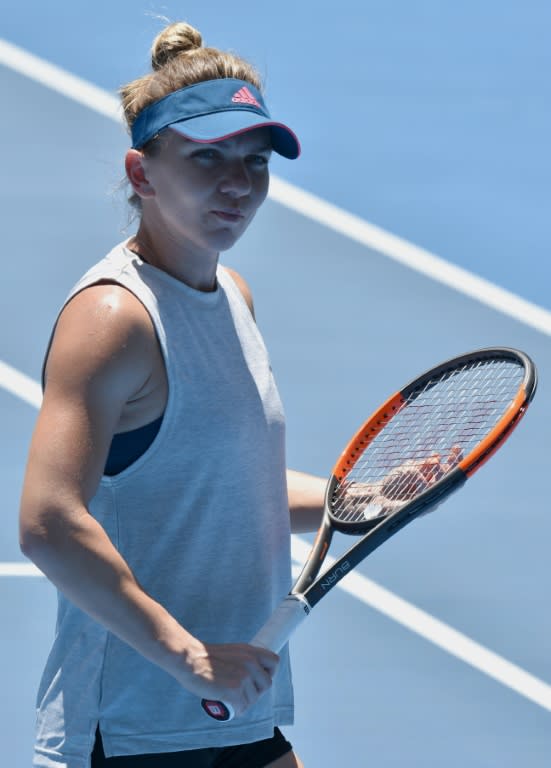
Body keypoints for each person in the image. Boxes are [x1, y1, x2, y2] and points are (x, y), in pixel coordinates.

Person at [19, 21, 328, 768]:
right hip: (134, 727)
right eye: (206, 159)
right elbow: (49, 521)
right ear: (141, 171)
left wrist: (356, 496)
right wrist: (188, 656)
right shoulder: (112, 319)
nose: (237, 183)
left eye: (253, 162)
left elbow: (216, 485)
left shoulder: (232, 297)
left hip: (237, 707)